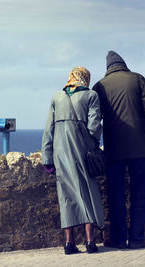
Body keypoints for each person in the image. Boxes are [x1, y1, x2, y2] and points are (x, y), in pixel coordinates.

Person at [92, 51, 145, 249]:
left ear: (108, 67)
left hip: (114, 150)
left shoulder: (100, 86)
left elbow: (95, 119)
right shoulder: (137, 79)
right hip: (140, 148)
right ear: (123, 64)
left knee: (116, 196)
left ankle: (119, 239)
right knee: (139, 194)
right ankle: (138, 238)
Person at [41, 66, 105, 255]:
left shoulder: (57, 98)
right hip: (82, 152)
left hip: (60, 156)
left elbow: (48, 130)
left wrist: (47, 157)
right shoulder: (91, 95)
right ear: (85, 78)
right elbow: (94, 127)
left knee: (66, 197)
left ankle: (69, 243)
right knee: (87, 192)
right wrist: (94, 143)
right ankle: (90, 242)